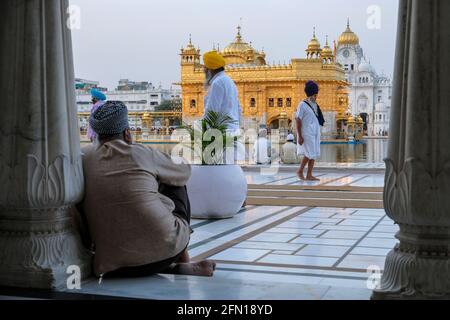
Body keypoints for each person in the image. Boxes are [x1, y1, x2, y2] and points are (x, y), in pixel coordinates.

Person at [79, 101, 216, 279]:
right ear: (127, 133)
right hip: (165, 251)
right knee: (175, 181)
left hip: (111, 264)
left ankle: (174, 267)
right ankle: (184, 262)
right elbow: (184, 171)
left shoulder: (83, 158)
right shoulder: (141, 152)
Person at [295, 81, 324, 180]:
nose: (316, 96)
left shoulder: (315, 105)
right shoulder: (302, 104)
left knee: (314, 153)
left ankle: (309, 174)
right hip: (306, 134)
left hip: (314, 133)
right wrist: (300, 136)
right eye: (315, 94)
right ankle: (300, 171)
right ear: (311, 93)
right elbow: (298, 119)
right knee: (309, 153)